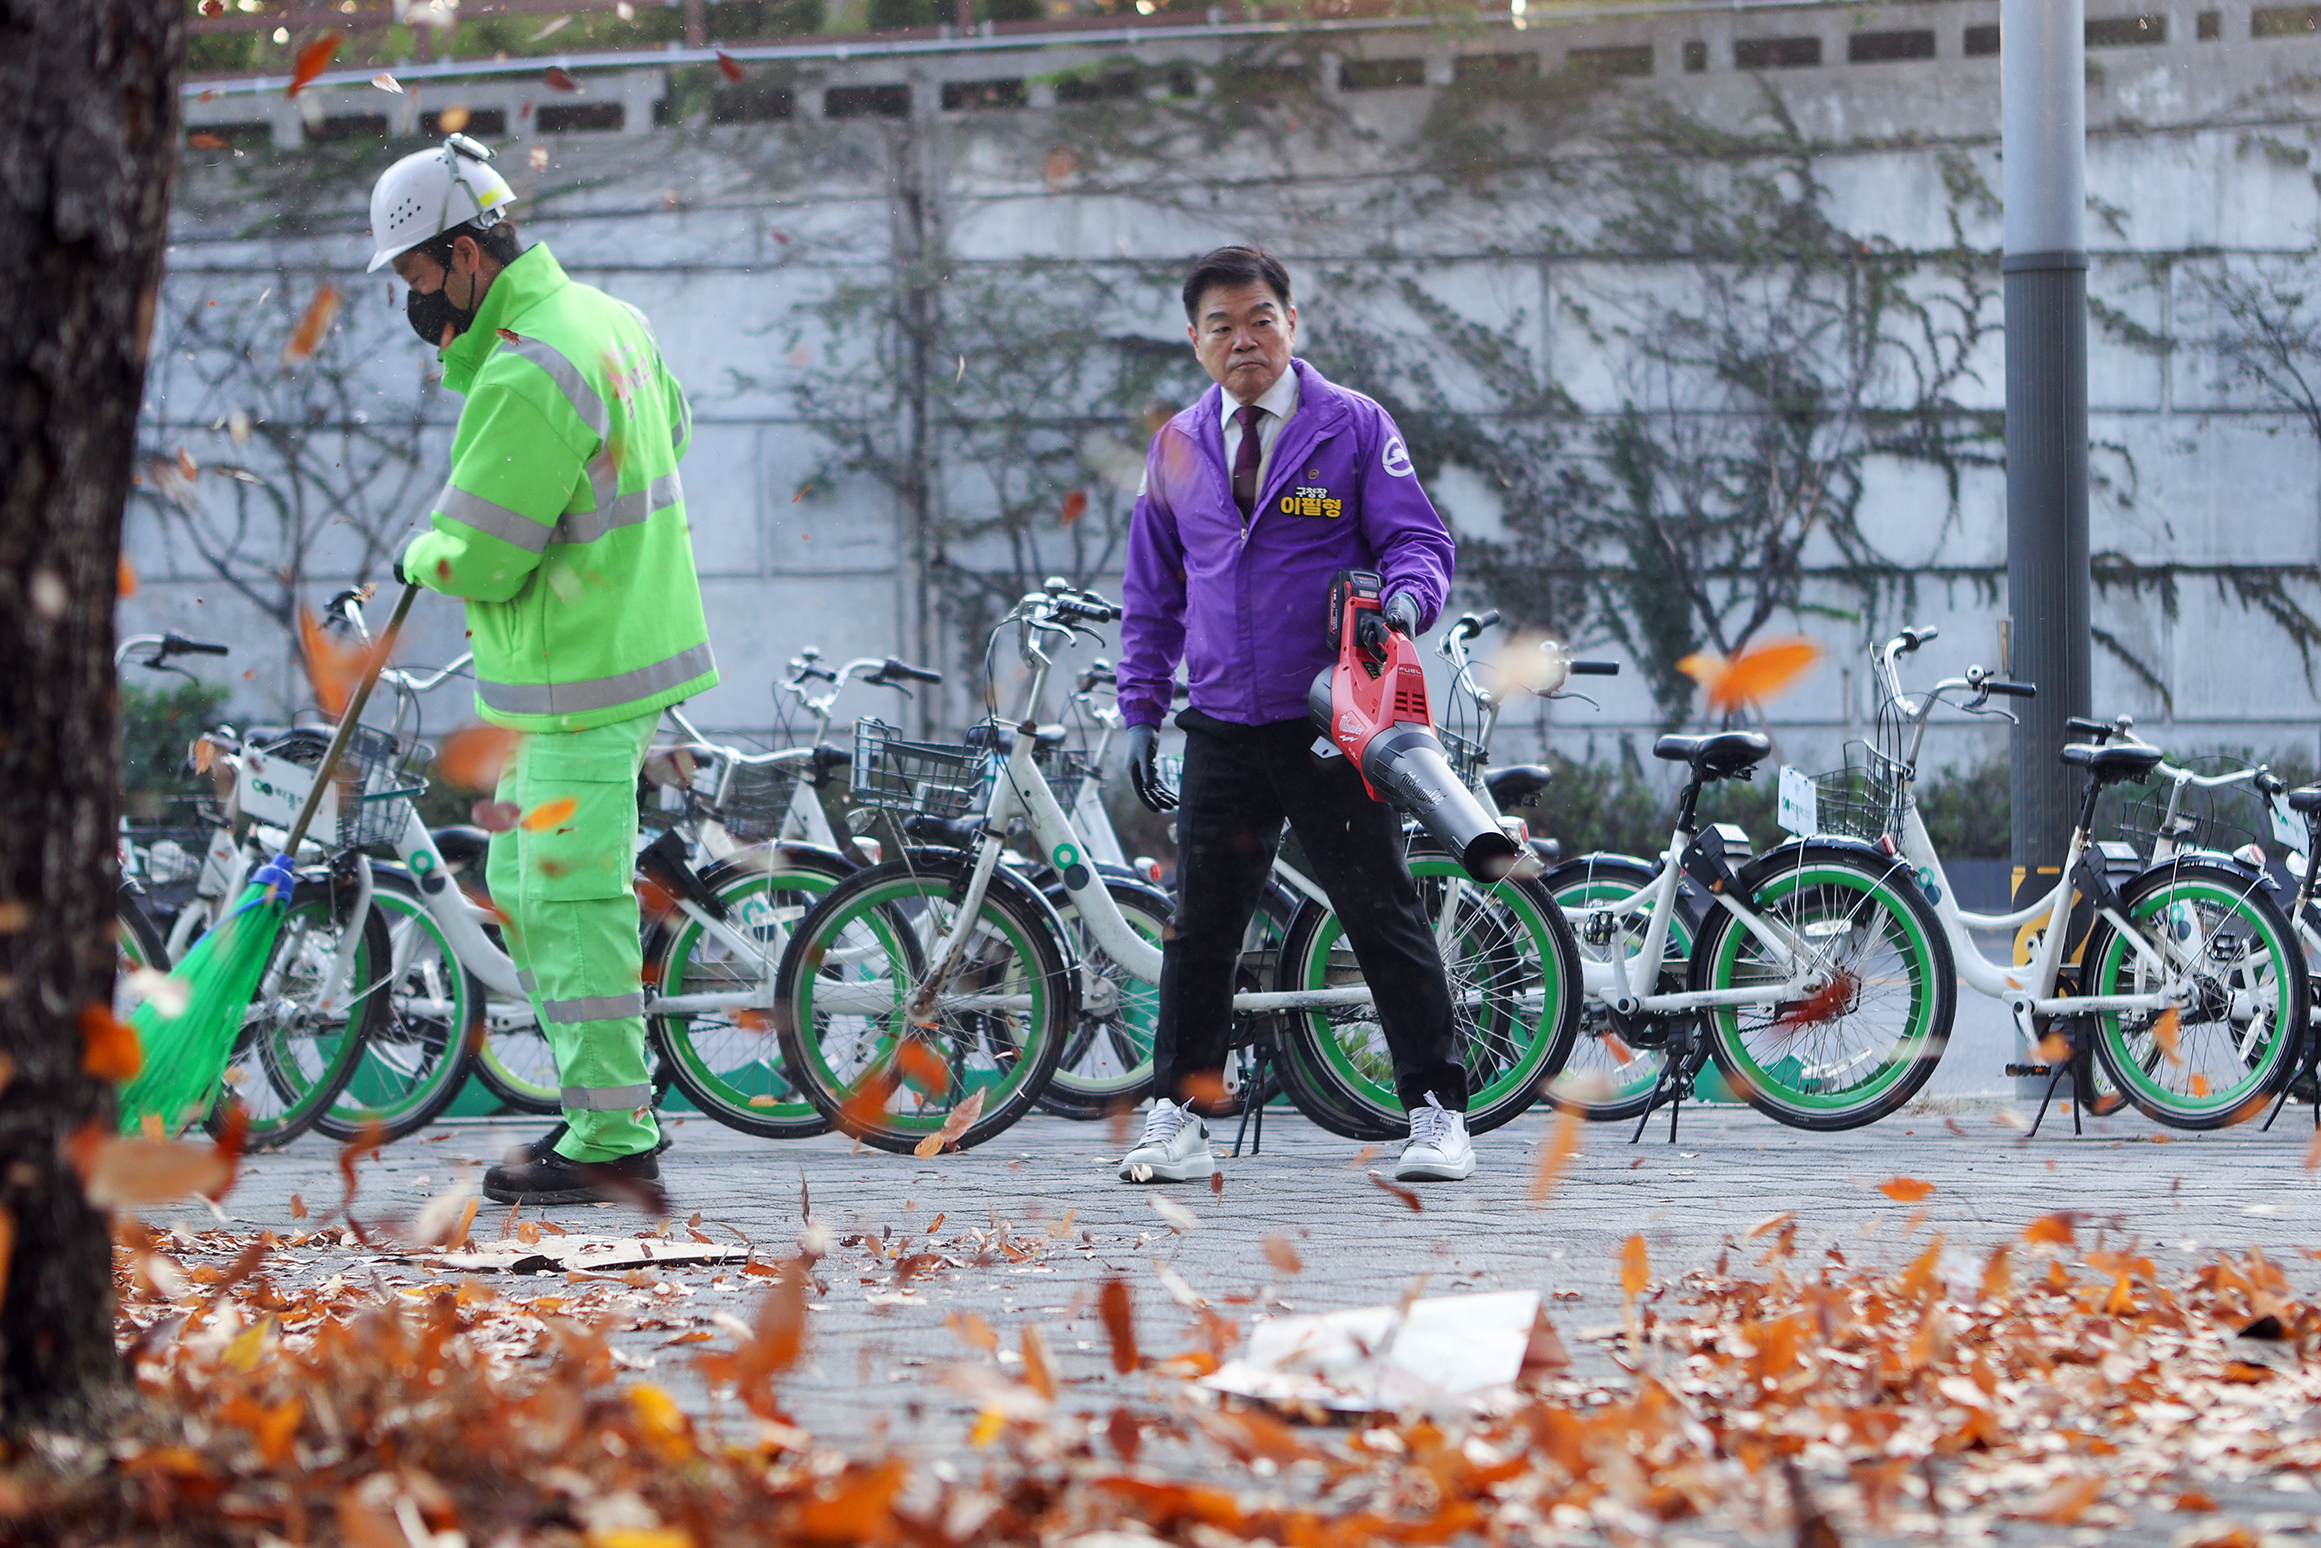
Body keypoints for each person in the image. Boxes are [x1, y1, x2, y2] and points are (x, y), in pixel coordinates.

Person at [370, 135, 718, 1205]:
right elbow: (678, 429)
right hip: (595, 660)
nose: (414, 300)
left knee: (565, 901)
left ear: (468, 253)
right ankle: (597, 1111)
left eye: (418, 275)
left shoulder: (527, 369)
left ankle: (613, 1138)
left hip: (577, 679)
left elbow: (478, 550)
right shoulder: (609, 321)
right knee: (529, 884)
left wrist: (418, 551)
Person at [1114, 246, 1473, 1186]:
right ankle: (1178, 1114)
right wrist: (1139, 712)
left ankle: (1436, 1113)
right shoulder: (1177, 447)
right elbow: (1151, 597)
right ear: (1194, 341)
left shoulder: (1351, 427)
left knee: (1378, 909)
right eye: (1222, 325)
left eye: (1261, 318)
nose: (1245, 340)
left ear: (1292, 323)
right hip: (1222, 722)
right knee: (1201, 928)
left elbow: (1417, 539)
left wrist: (1404, 602)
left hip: (1332, 718)